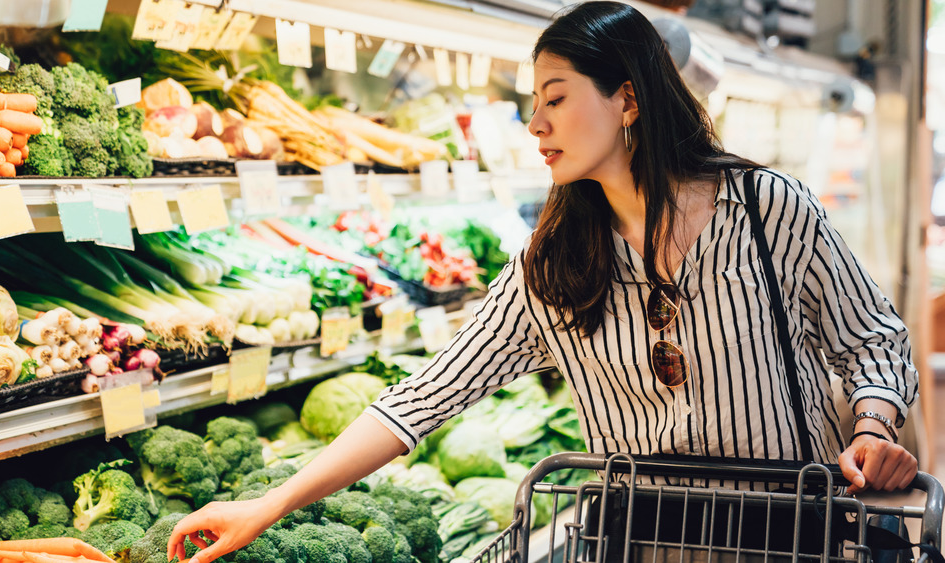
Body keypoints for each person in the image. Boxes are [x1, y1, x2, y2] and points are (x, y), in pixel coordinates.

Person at [168, 3, 919, 562]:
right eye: (533, 103)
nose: (536, 123)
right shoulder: (555, 265)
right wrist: (268, 504)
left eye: (555, 98)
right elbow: (424, 397)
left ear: (626, 99)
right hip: (643, 538)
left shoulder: (768, 211)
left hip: (788, 534)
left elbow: (873, 340)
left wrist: (873, 429)